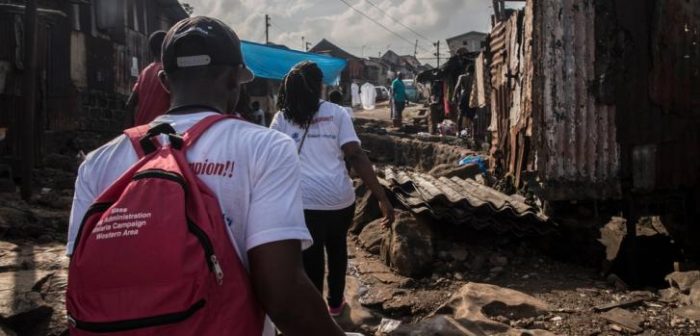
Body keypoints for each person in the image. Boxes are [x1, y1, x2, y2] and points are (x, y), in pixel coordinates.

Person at [68, 17, 347, 336]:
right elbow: (284, 297)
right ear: (234, 80)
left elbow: (83, 280)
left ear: (164, 82)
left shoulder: (97, 163)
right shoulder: (265, 147)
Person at [270, 61, 395, 317]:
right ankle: (336, 304)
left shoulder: (282, 117)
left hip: (304, 203)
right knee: (338, 250)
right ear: (319, 86)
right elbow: (356, 155)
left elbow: (270, 160)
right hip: (340, 200)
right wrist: (381, 197)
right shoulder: (337, 113)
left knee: (311, 259)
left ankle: (316, 314)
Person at [126, 31, 170, 126]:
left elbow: (130, 104)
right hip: (161, 131)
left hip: (141, 133)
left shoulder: (144, 73)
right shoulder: (168, 71)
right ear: (167, 46)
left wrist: (129, 132)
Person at [454, 68, 476, 135]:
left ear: (466, 71)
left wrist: (454, 96)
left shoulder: (462, 77)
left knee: (460, 114)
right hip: (472, 97)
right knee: (472, 116)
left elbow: (457, 87)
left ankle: (458, 131)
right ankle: (472, 133)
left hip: (464, 97)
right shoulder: (475, 78)